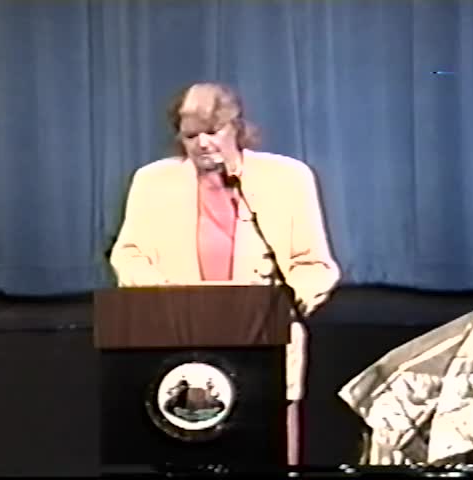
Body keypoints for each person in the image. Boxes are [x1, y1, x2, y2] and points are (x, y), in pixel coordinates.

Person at [109, 82, 341, 465]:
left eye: (212, 131)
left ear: (236, 128)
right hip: (177, 343)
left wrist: (277, 305)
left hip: (264, 345)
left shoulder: (289, 179)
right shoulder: (152, 182)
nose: (202, 144)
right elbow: (129, 256)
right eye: (190, 135)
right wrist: (171, 301)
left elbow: (315, 265)